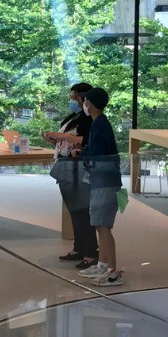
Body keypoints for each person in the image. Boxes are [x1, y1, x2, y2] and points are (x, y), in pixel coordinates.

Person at [43, 82, 97, 268]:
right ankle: (79, 247)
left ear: (84, 98)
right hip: (66, 166)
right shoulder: (73, 117)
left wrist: (62, 137)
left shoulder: (90, 119)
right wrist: (55, 140)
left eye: (74, 98)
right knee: (74, 210)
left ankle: (91, 251)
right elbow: (66, 142)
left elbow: (85, 140)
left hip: (78, 167)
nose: (72, 101)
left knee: (82, 211)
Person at [77, 87, 124, 287]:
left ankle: (112, 272)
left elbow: (97, 154)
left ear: (90, 104)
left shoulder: (100, 124)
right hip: (102, 181)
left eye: (86, 102)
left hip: (106, 182)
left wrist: (81, 153)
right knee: (99, 224)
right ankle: (103, 264)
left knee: (103, 227)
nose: (84, 105)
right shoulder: (99, 123)